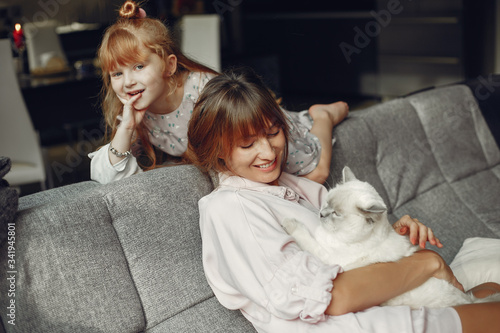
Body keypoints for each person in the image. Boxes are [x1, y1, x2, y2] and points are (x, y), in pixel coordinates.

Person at [186, 69, 500, 333]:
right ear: (219, 152)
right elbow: (335, 298)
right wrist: (427, 262)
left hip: (386, 303)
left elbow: (353, 256)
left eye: (272, 133)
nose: (268, 153)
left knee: (493, 291)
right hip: (361, 324)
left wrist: (387, 236)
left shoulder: (293, 186)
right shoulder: (230, 209)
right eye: (247, 144)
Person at [89, 0, 348, 185]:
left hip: (260, 130)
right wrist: (126, 129)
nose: (128, 82)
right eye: (117, 73)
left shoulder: (202, 90)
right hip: (240, 155)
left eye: (138, 66)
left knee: (317, 174)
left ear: (169, 65)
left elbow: (251, 138)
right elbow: (108, 180)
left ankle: (323, 115)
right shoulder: (134, 113)